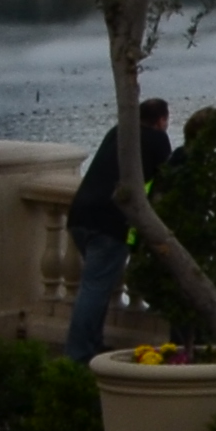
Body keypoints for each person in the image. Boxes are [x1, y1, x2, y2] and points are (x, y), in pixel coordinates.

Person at [61, 96, 170, 357]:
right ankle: (77, 355)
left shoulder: (118, 132)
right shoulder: (157, 140)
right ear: (160, 121)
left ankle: (92, 343)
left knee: (98, 284)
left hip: (80, 215)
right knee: (95, 288)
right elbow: (166, 180)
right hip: (110, 222)